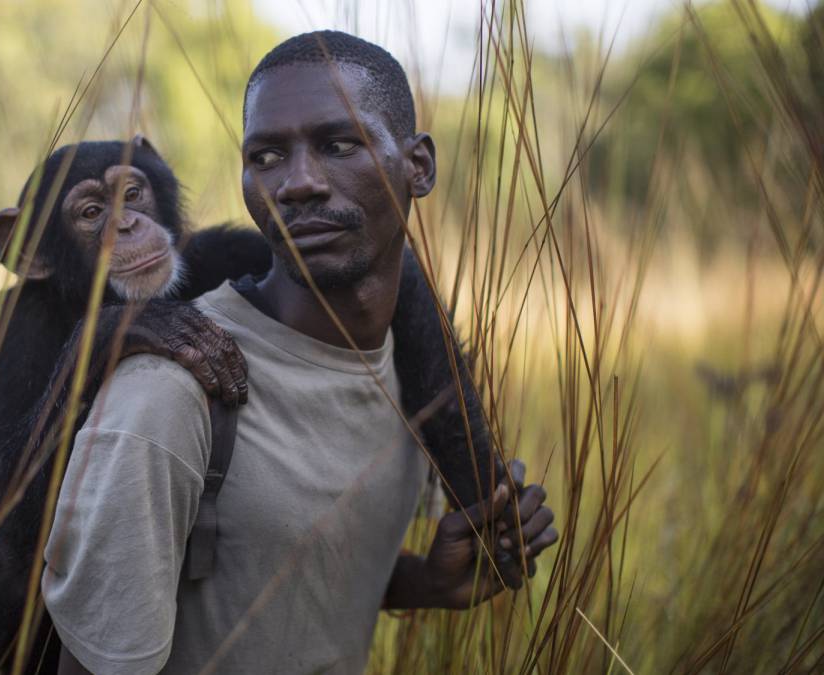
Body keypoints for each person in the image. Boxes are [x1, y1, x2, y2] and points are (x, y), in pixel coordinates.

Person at [41, 30, 558, 674]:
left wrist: (426, 583)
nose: (299, 183)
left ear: (417, 166)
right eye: (266, 157)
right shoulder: (167, 394)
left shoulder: (414, 368)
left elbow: (265, 561)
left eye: (339, 145)